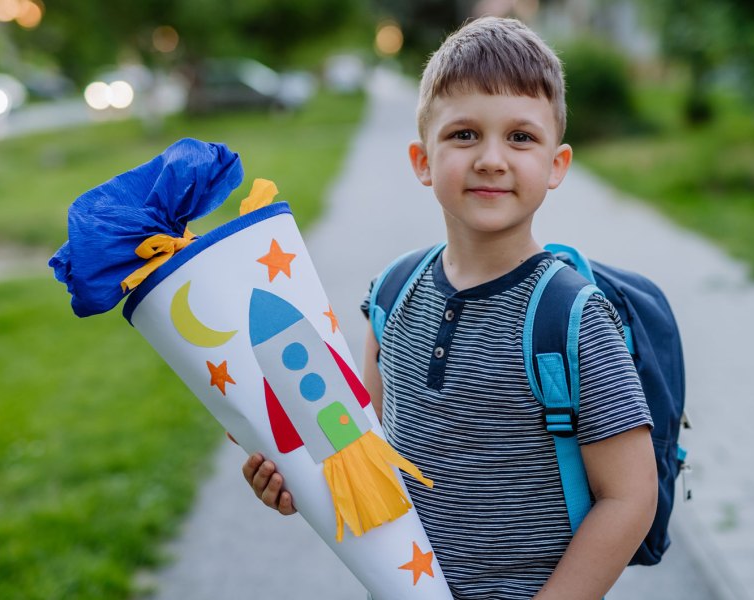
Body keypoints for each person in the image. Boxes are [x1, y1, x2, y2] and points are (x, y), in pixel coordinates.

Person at [241, 16, 657, 600]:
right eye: (464, 135)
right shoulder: (392, 294)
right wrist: (299, 485)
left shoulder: (570, 316)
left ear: (557, 165)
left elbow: (631, 495)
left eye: (521, 137)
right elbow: (364, 452)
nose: (491, 158)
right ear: (422, 160)